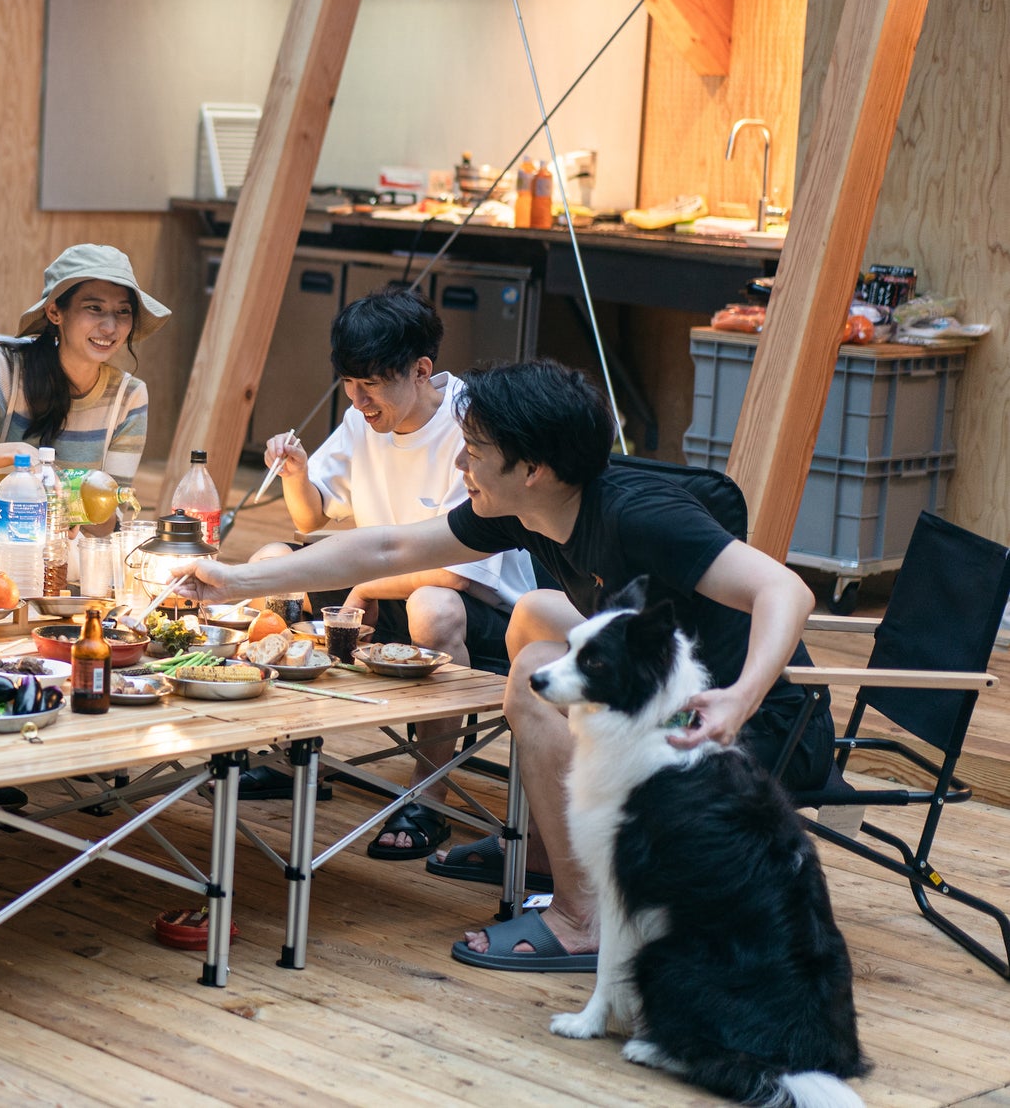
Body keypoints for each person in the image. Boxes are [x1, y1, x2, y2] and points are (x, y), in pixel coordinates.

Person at [183, 359, 832, 973]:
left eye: (476, 449)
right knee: (534, 618)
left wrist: (742, 696)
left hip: (747, 725)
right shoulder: (529, 511)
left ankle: (583, 922)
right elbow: (388, 546)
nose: (461, 461)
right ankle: (550, 860)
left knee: (532, 677)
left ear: (534, 469)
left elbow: (786, 591)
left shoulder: (643, 515)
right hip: (652, 689)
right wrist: (237, 579)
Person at [238, 290, 535, 854]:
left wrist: (364, 586)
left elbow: (458, 570)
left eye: (371, 383)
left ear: (421, 371)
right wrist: (296, 474)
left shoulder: (474, 421)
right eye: (350, 382)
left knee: (431, 602)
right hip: (380, 588)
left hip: (485, 605)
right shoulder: (360, 419)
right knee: (270, 567)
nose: (358, 398)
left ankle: (429, 798)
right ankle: (287, 756)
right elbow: (312, 514)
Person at [0, 244, 167, 544]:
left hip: (72, 561)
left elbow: (109, 524)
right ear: (54, 312)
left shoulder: (130, 397)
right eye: (94, 308)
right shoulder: (7, 368)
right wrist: (17, 455)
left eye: (123, 312)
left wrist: (75, 507)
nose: (110, 327)